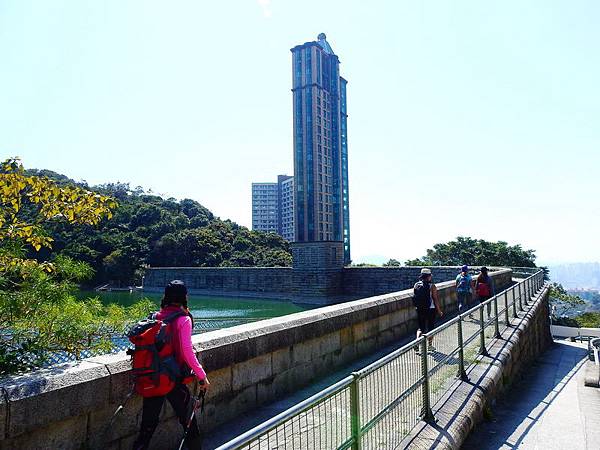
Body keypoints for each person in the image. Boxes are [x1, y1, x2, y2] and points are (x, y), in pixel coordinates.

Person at [133, 280, 210, 450]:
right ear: (184, 297)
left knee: (147, 428)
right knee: (190, 423)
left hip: (153, 376)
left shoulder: (154, 317)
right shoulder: (183, 319)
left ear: (166, 297)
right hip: (174, 379)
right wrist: (202, 376)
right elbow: (186, 351)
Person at [413, 268, 443, 352]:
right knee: (430, 328)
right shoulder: (432, 286)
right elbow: (435, 299)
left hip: (420, 309)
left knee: (421, 328)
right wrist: (439, 310)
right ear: (429, 276)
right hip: (431, 309)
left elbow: (415, 297)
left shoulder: (416, 285)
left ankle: (416, 342)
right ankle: (429, 346)